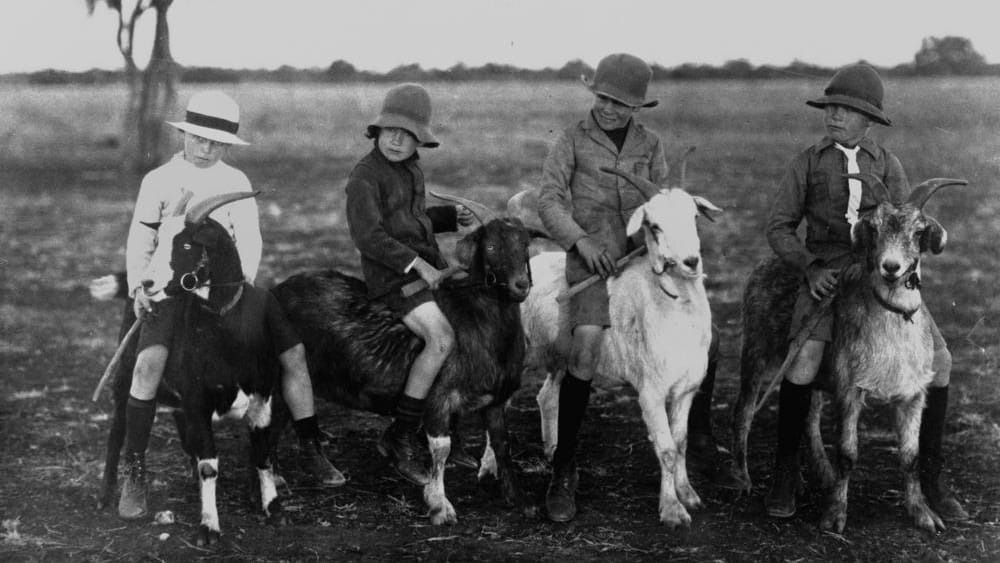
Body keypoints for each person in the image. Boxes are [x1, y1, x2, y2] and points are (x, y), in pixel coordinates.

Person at [118, 90, 344, 520]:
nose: (206, 148)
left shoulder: (236, 182)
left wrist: (239, 292)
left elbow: (251, 241)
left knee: (292, 354)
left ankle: (309, 445)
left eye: (217, 142)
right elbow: (142, 242)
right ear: (185, 134)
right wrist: (139, 287)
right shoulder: (158, 181)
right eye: (199, 138)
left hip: (230, 291)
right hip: (174, 290)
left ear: (227, 145)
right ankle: (134, 467)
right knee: (148, 365)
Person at [764, 63, 967, 521]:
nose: (834, 115)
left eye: (846, 110)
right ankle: (784, 472)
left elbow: (902, 220)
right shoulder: (807, 162)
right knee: (805, 361)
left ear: (869, 120)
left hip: (883, 275)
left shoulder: (887, 164)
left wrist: (902, 264)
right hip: (827, 274)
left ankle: (931, 476)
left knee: (941, 361)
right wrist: (810, 267)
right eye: (830, 107)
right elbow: (778, 227)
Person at [536, 53, 671, 522]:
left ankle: (702, 450)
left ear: (638, 106)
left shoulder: (651, 145)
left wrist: (644, 244)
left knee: (692, 336)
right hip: (588, 263)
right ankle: (564, 468)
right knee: (586, 348)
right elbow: (549, 200)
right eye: (603, 98)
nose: (609, 109)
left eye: (621, 103)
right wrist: (581, 240)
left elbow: (663, 204)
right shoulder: (572, 139)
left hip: (637, 260)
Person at [344, 83, 474, 486]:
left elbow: (411, 220)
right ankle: (399, 436)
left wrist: (449, 218)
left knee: (471, 322)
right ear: (376, 131)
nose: (397, 140)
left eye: (408, 133)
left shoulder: (411, 169)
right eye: (390, 131)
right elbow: (370, 236)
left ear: (420, 138)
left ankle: (442, 425)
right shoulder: (364, 177)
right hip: (391, 279)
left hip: (424, 271)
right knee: (440, 339)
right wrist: (418, 264)